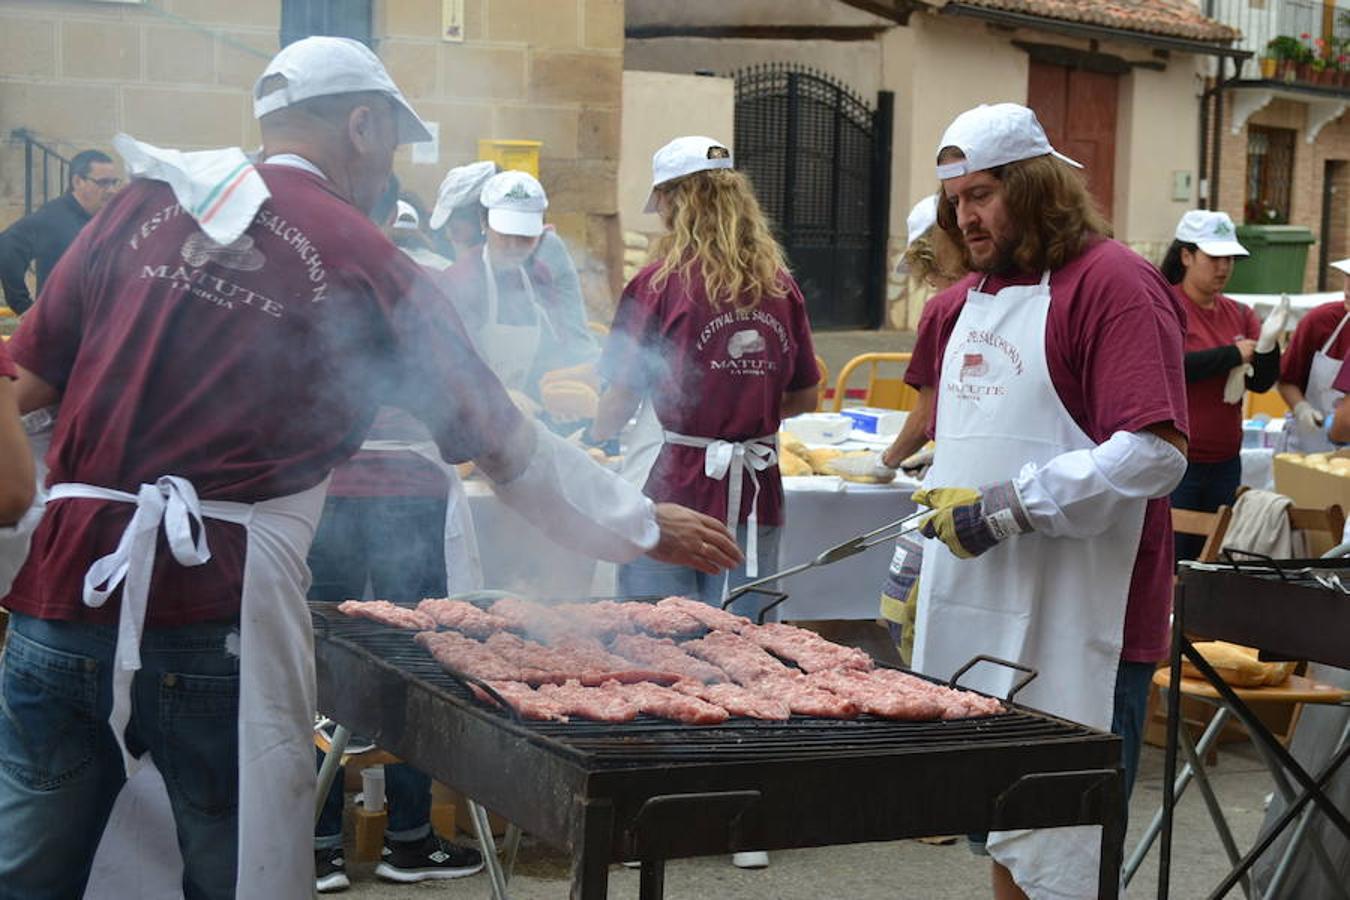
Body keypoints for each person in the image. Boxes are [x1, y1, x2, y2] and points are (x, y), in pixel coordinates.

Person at [0, 36, 741, 900]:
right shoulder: (366, 256)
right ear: (360, 123)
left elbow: (26, 382)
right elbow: (506, 445)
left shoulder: (142, 205)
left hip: (57, 605)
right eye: (391, 139)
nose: (391, 163)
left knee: (27, 873)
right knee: (232, 873)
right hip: (217, 619)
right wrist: (641, 524)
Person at [907, 103, 1189, 900]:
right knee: (1004, 834)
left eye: (984, 194)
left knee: (1066, 849)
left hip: (1082, 625)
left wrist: (1006, 507)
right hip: (979, 615)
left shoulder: (1113, 283)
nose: (966, 216)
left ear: (1036, 190)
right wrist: (914, 569)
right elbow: (961, 450)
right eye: (956, 200)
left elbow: (1156, 453)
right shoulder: (973, 296)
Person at [590, 136, 818, 871]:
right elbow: (806, 393)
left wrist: (595, 435)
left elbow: (619, 395)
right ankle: (744, 821)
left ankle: (650, 819)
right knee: (746, 647)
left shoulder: (656, 285)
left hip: (674, 483)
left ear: (674, 202)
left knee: (651, 648)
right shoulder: (780, 285)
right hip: (756, 490)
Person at [307, 176, 480, 890]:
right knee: (413, 657)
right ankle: (409, 837)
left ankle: (318, 845)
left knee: (320, 667)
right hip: (406, 491)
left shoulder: (308, 282)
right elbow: (464, 397)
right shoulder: (421, 285)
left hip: (323, 495)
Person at [1160, 210, 1287, 559]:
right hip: (1177, 462)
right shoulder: (1165, 305)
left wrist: (1267, 346)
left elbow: (1261, 383)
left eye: (1229, 258)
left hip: (1226, 461)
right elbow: (1171, 367)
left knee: (1212, 561)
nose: (1223, 267)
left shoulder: (1240, 312)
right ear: (1186, 256)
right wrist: (1233, 354)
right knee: (1174, 558)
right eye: (1214, 257)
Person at [874, 194, 967, 666]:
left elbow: (926, 415)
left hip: (952, 493)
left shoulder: (945, 306)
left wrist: (885, 460)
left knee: (912, 612)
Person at [436, 170, 599, 398]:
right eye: (505, 234)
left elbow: (550, 354)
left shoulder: (539, 276)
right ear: (485, 223)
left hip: (523, 415)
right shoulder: (461, 279)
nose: (514, 245)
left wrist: (553, 392)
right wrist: (502, 401)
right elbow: (455, 366)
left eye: (525, 236)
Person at [0, 149, 120, 314]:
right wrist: (23, 306)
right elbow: (7, 246)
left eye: (114, 182)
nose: (112, 190)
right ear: (78, 181)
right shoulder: (52, 217)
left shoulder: (106, 218)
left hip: (97, 326)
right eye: (103, 183)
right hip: (60, 330)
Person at [1277, 257, 1350, 452]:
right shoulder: (1320, 321)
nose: (1348, 288)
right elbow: (1286, 380)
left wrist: (1338, 427)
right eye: (1347, 277)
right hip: (1307, 448)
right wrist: (1302, 409)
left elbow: (1344, 422)